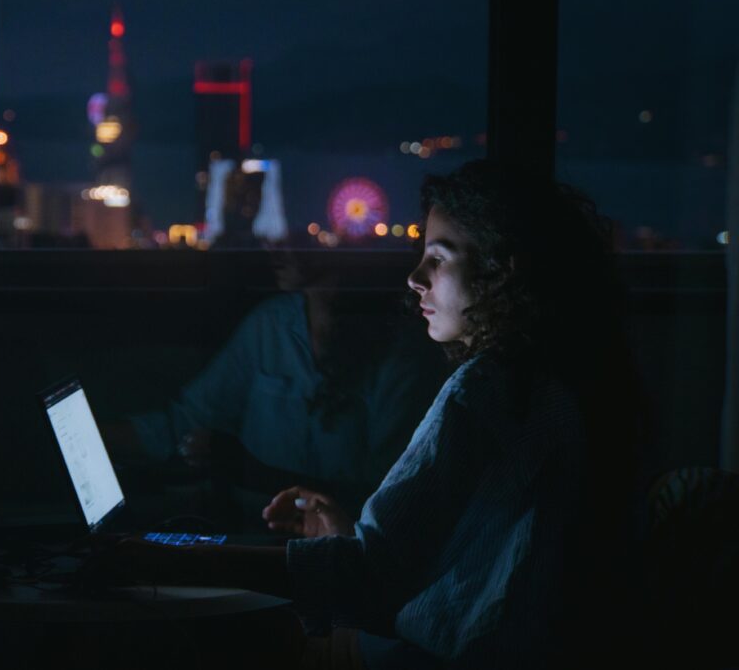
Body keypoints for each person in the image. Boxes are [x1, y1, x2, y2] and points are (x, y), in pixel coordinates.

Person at [104, 160, 645, 669]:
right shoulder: (550, 381)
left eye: (437, 258)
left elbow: (370, 578)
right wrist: (351, 535)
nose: (415, 278)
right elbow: (453, 553)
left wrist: (173, 561)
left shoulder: (483, 390)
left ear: (501, 272)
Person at [123, 249, 448, 530]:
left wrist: (249, 470)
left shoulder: (401, 352)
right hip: (250, 528)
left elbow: (389, 494)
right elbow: (184, 419)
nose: (274, 246)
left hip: (339, 546)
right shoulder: (270, 324)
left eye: (296, 233)